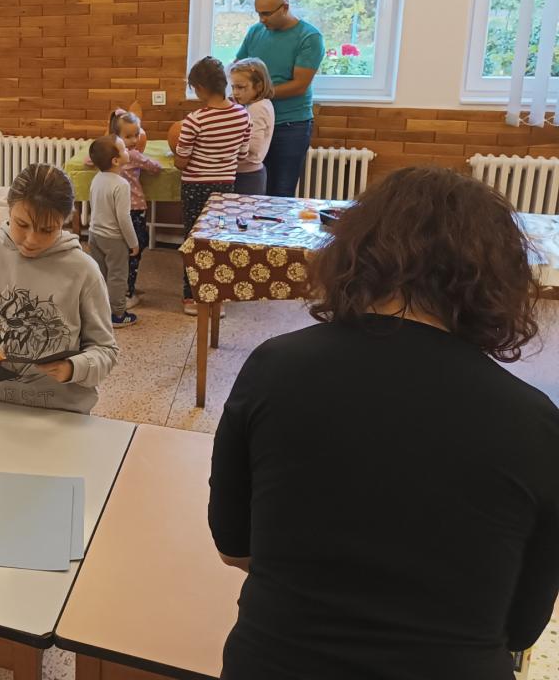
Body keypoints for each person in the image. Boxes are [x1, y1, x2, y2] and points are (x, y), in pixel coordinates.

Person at [208, 167, 559, 680]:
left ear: (357, 252)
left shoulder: (275, 366)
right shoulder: (537, 422)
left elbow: (233, 545)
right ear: (497, 280)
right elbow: (523, 626)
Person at [0, 163, 117, 414]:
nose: (32, 239)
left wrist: (73, 368)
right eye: (21, 224)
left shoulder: (84, 271)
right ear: (9, 209)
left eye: (47, 229)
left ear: (65, 220)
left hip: (60, 413)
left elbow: (105, 350)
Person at [172, 56, 251, 316]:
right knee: (219, 239)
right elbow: (242, 155)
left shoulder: (194, 120)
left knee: (193, 240)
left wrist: (178, 157)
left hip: (196, 187)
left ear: (201, 88)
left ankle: (192, 297)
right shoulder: (243, 115)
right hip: (225, 187)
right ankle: (217, 297)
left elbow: (182, 162)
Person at [233, 0, 324, 197]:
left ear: (285, 7)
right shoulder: (256, 32)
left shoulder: (309, 37)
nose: (261, 19)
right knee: (252, 190)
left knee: (281, 192)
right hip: (254, 121)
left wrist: (255, 94)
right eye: (258, 14)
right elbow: (239, 66)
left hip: (290, 125)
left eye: (266, 14)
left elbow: (299, 85)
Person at [107, 109, 161, 306]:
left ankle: (120, 288)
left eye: (136, 135)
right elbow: (156, 168)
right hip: (134, 210)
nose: (134, 140)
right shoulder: (134, 155)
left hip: (114, 209)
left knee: (121, 251)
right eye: (128, 136)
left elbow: (88, 160)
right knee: (135, 250)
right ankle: (127, 294)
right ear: (117, 137)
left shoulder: (108, 155)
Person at [85, 136, 140, 328]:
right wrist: (133, 242)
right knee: (117, 276)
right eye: (124, 149)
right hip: (114, 239)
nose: (127, 151)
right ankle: (117, 314)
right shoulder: (121, 184)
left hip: (94, 234)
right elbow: (123, 218)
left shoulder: (97, 178)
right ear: (116, 161)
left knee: (100, 274)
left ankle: (99, 310)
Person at [228, 57, 275, 195]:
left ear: (259, 86)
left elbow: (253, 147)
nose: (235, 92)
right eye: (233, 87)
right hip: (248, 173)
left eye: (241, 87)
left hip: (248, 176)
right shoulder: (255, 105)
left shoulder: (257, 108)